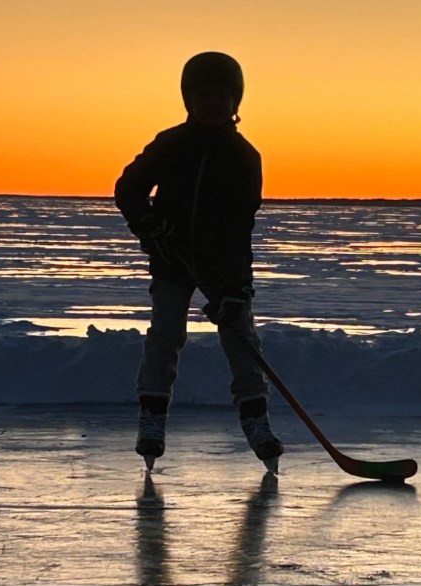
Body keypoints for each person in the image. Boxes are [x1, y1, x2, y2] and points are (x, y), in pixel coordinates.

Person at [114, 51, 283, 469]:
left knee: (241, 338)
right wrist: (151, 227)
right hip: (173, 259)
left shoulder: (245, 157)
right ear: (189, 99)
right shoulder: (171, 143)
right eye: (204, 94)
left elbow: (239, 227)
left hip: (223, 268)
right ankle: (152, 415)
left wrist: (234, 289)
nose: (213, 102)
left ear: (235, 101)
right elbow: (128, 189)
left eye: (222, 95)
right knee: (166, 335)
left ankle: (255, 419)